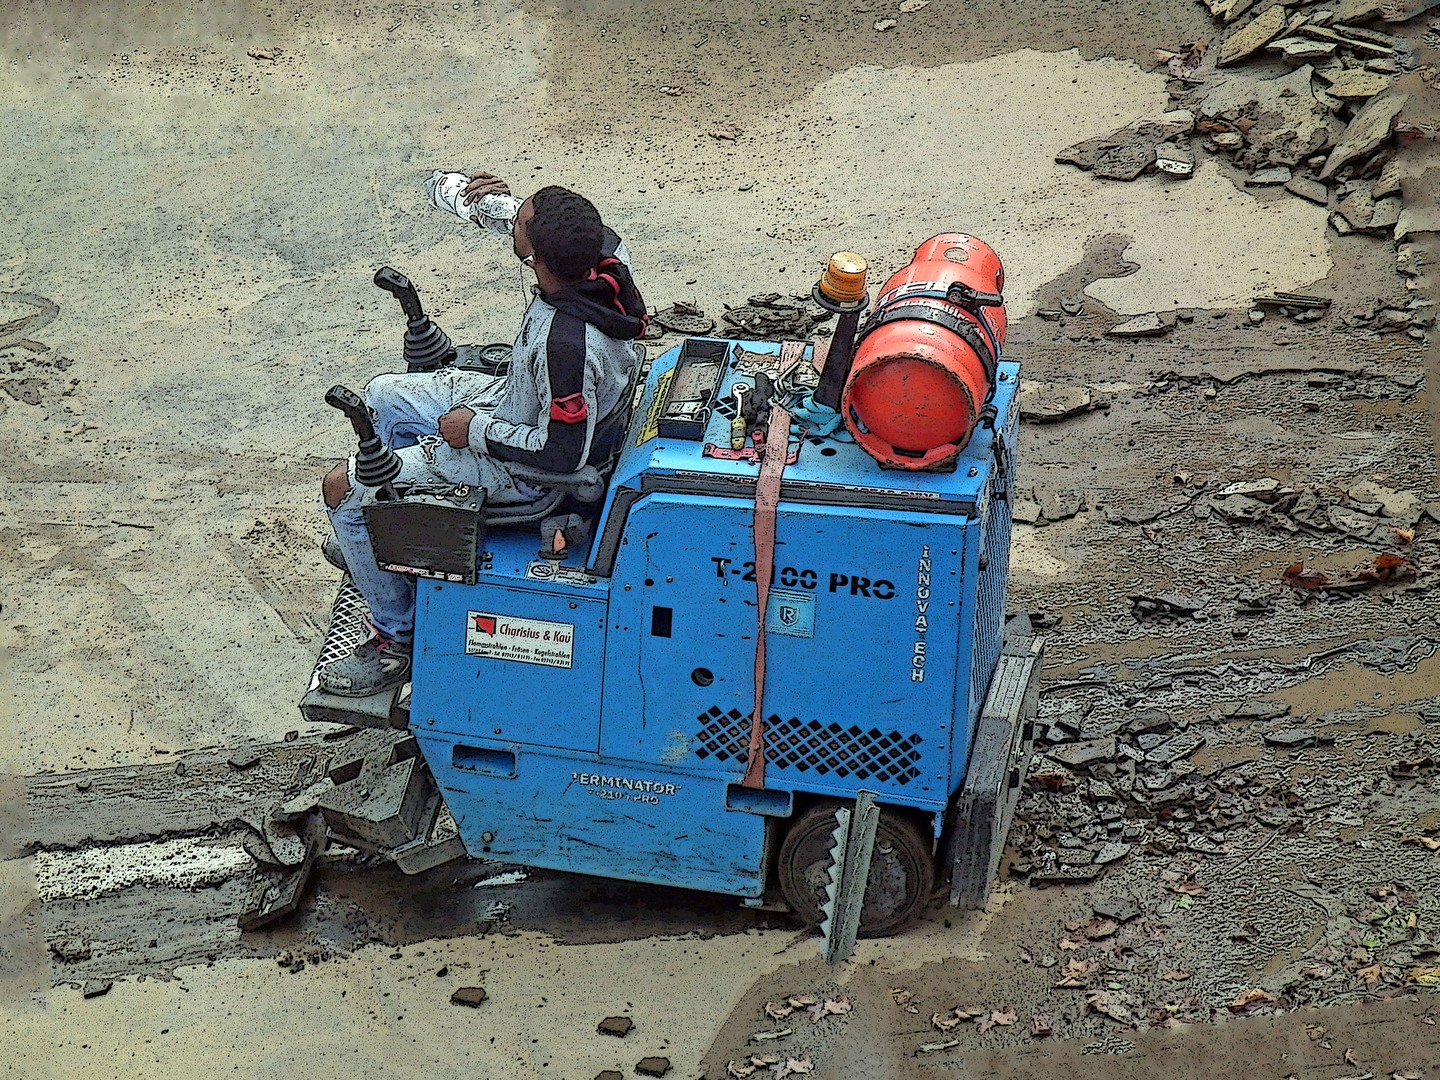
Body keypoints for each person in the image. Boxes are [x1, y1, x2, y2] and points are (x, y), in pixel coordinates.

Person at [318, 174, 647, 697]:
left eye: (520, 220)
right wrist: (478, 200)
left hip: (524, 470)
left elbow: (562, 454)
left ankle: (394, 635)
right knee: (382, 394)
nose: (513, 216)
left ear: (536, 257)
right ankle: (379, 546)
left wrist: (473, 431)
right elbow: (533, 225)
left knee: (343, 489)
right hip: (515, 399)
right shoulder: (603, 254)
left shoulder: (566, 347)